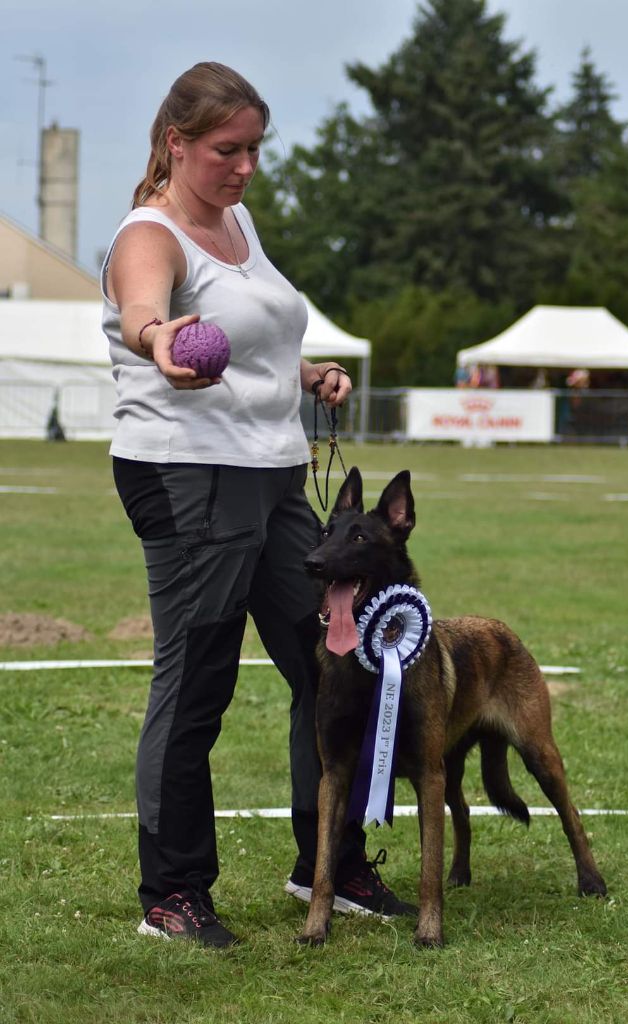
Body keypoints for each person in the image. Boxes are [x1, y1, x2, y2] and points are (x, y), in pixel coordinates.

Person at [101, 61, 415, 948]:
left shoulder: (236, 222)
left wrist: (304, 374)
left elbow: (259, 338)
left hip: (274, 472)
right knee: (196, 680)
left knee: (331, 657)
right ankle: (172, 893)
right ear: (177, 143)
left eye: (253, 150)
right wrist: (161, 337)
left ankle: (327, 862)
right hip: (186, 474)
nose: (243, 168)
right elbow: (141, 310)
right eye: (224, 151)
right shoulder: (149, 232)